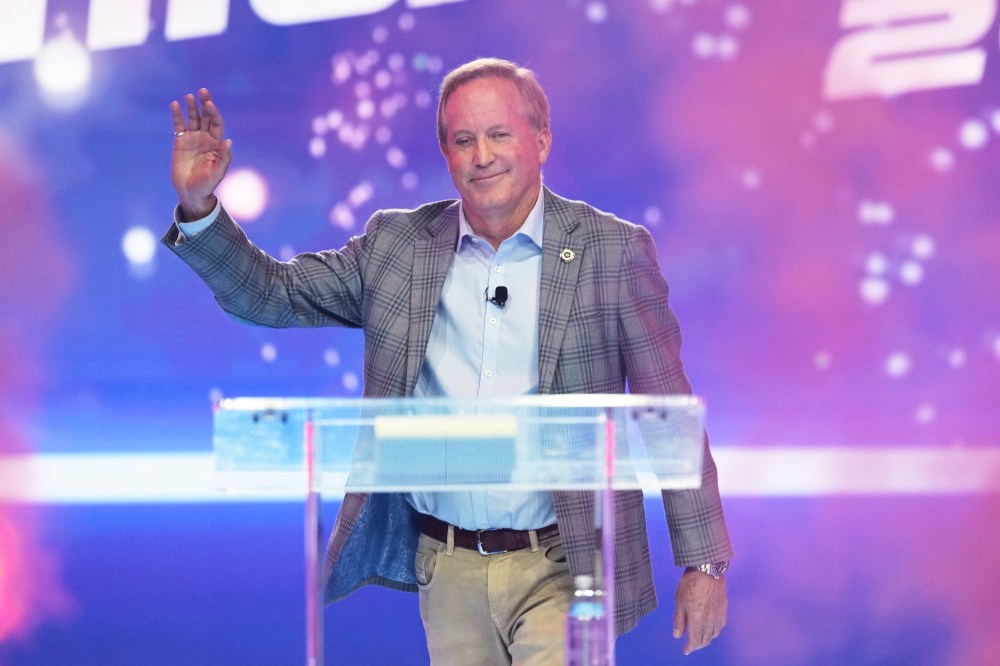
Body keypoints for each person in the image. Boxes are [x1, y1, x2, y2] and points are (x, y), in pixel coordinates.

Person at [164, 57, 733, 664]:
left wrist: (704, 562)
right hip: (447, 566)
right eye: (463, 141)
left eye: (499, 135)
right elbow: (271, 294)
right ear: (446, 153)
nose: (481, 156)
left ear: (541, 141)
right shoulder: (397, 245)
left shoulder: (610, 251)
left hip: (566, 564)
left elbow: (667, 410)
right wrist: (200, 206)